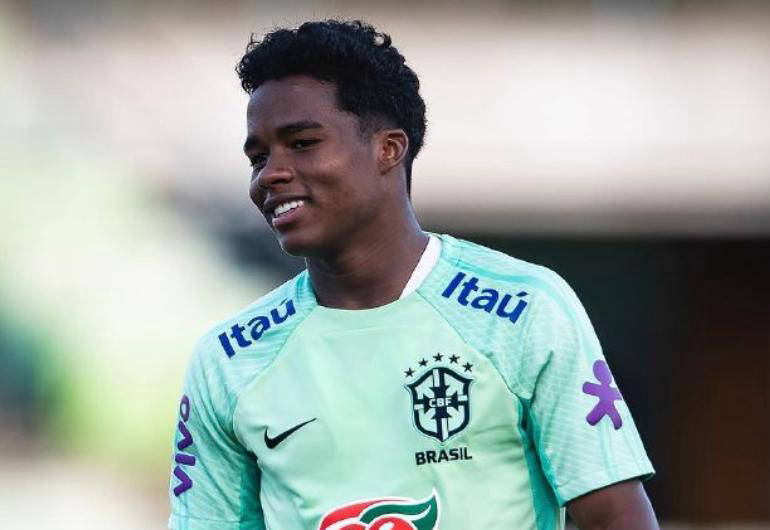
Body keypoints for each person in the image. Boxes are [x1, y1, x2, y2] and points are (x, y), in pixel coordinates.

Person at [168, 19, 658, 530]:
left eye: (303, 142)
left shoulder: (523, 310)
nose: (271, 173)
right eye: (259, 156)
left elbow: (616, 518)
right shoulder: (229, 359)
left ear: (389, 149)